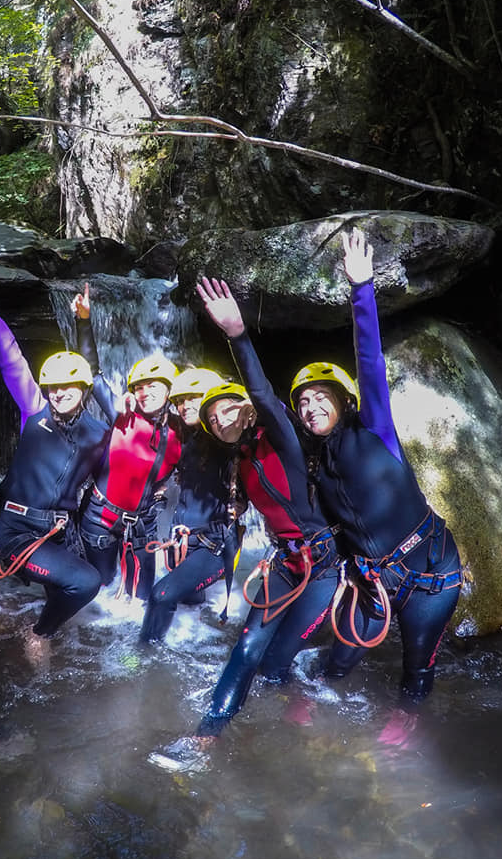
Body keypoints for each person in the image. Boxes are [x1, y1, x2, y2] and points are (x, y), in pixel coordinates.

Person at [292, 228, 462, 711]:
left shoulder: (376, 430)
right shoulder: (317, 466)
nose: (310, 407)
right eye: (302, 402)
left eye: (319, 397)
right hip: (374, 583)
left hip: (431, 575)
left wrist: (361, 289)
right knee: (335, 665)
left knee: (416, 671)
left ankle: (406, 742)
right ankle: (301, 726)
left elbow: (368, 360)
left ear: (343, 402)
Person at [186, 277, 344, 739]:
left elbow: (259, 390)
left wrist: (237, 335)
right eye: (212, 420)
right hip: (284, 562)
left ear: (248, 410)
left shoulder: (282, 438)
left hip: (322, 566)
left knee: (275, 663)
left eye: (227, 410)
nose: (219, 420)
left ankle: (297, 694)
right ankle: (209, 731)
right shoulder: (239, 461)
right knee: (250, 644)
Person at [0, 270, 108, 637]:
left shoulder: (98, 434)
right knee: (86, 583)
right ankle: (38, 634)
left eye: (68, 386)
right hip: (17, 529)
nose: (58, 393)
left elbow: (108, 481)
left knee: (85, 580)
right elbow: (12, 362)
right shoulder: (34, 411)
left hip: (62, 529)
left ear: (84, 388)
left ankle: (48, 633)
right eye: (53, 387)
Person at [74, 286, 183, 601]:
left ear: (169, 391)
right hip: (99, 518)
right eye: (140, 387)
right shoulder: (122, 414)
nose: (146, 392)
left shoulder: (183, 430)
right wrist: (84, 320)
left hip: (143, 525)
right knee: (101, 592)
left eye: (154, 386)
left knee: (143, 599)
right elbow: (93, 375)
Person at [139, 367, 245, 641]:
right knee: (188, 603)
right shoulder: (190, 436)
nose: (185, 405)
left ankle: (143, 660)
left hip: (214, 547)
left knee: (161, 596)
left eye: (193, 398)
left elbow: (245, 431)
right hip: (184, 541)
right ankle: (193, 645)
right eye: (180, 400)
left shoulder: (225, 437)